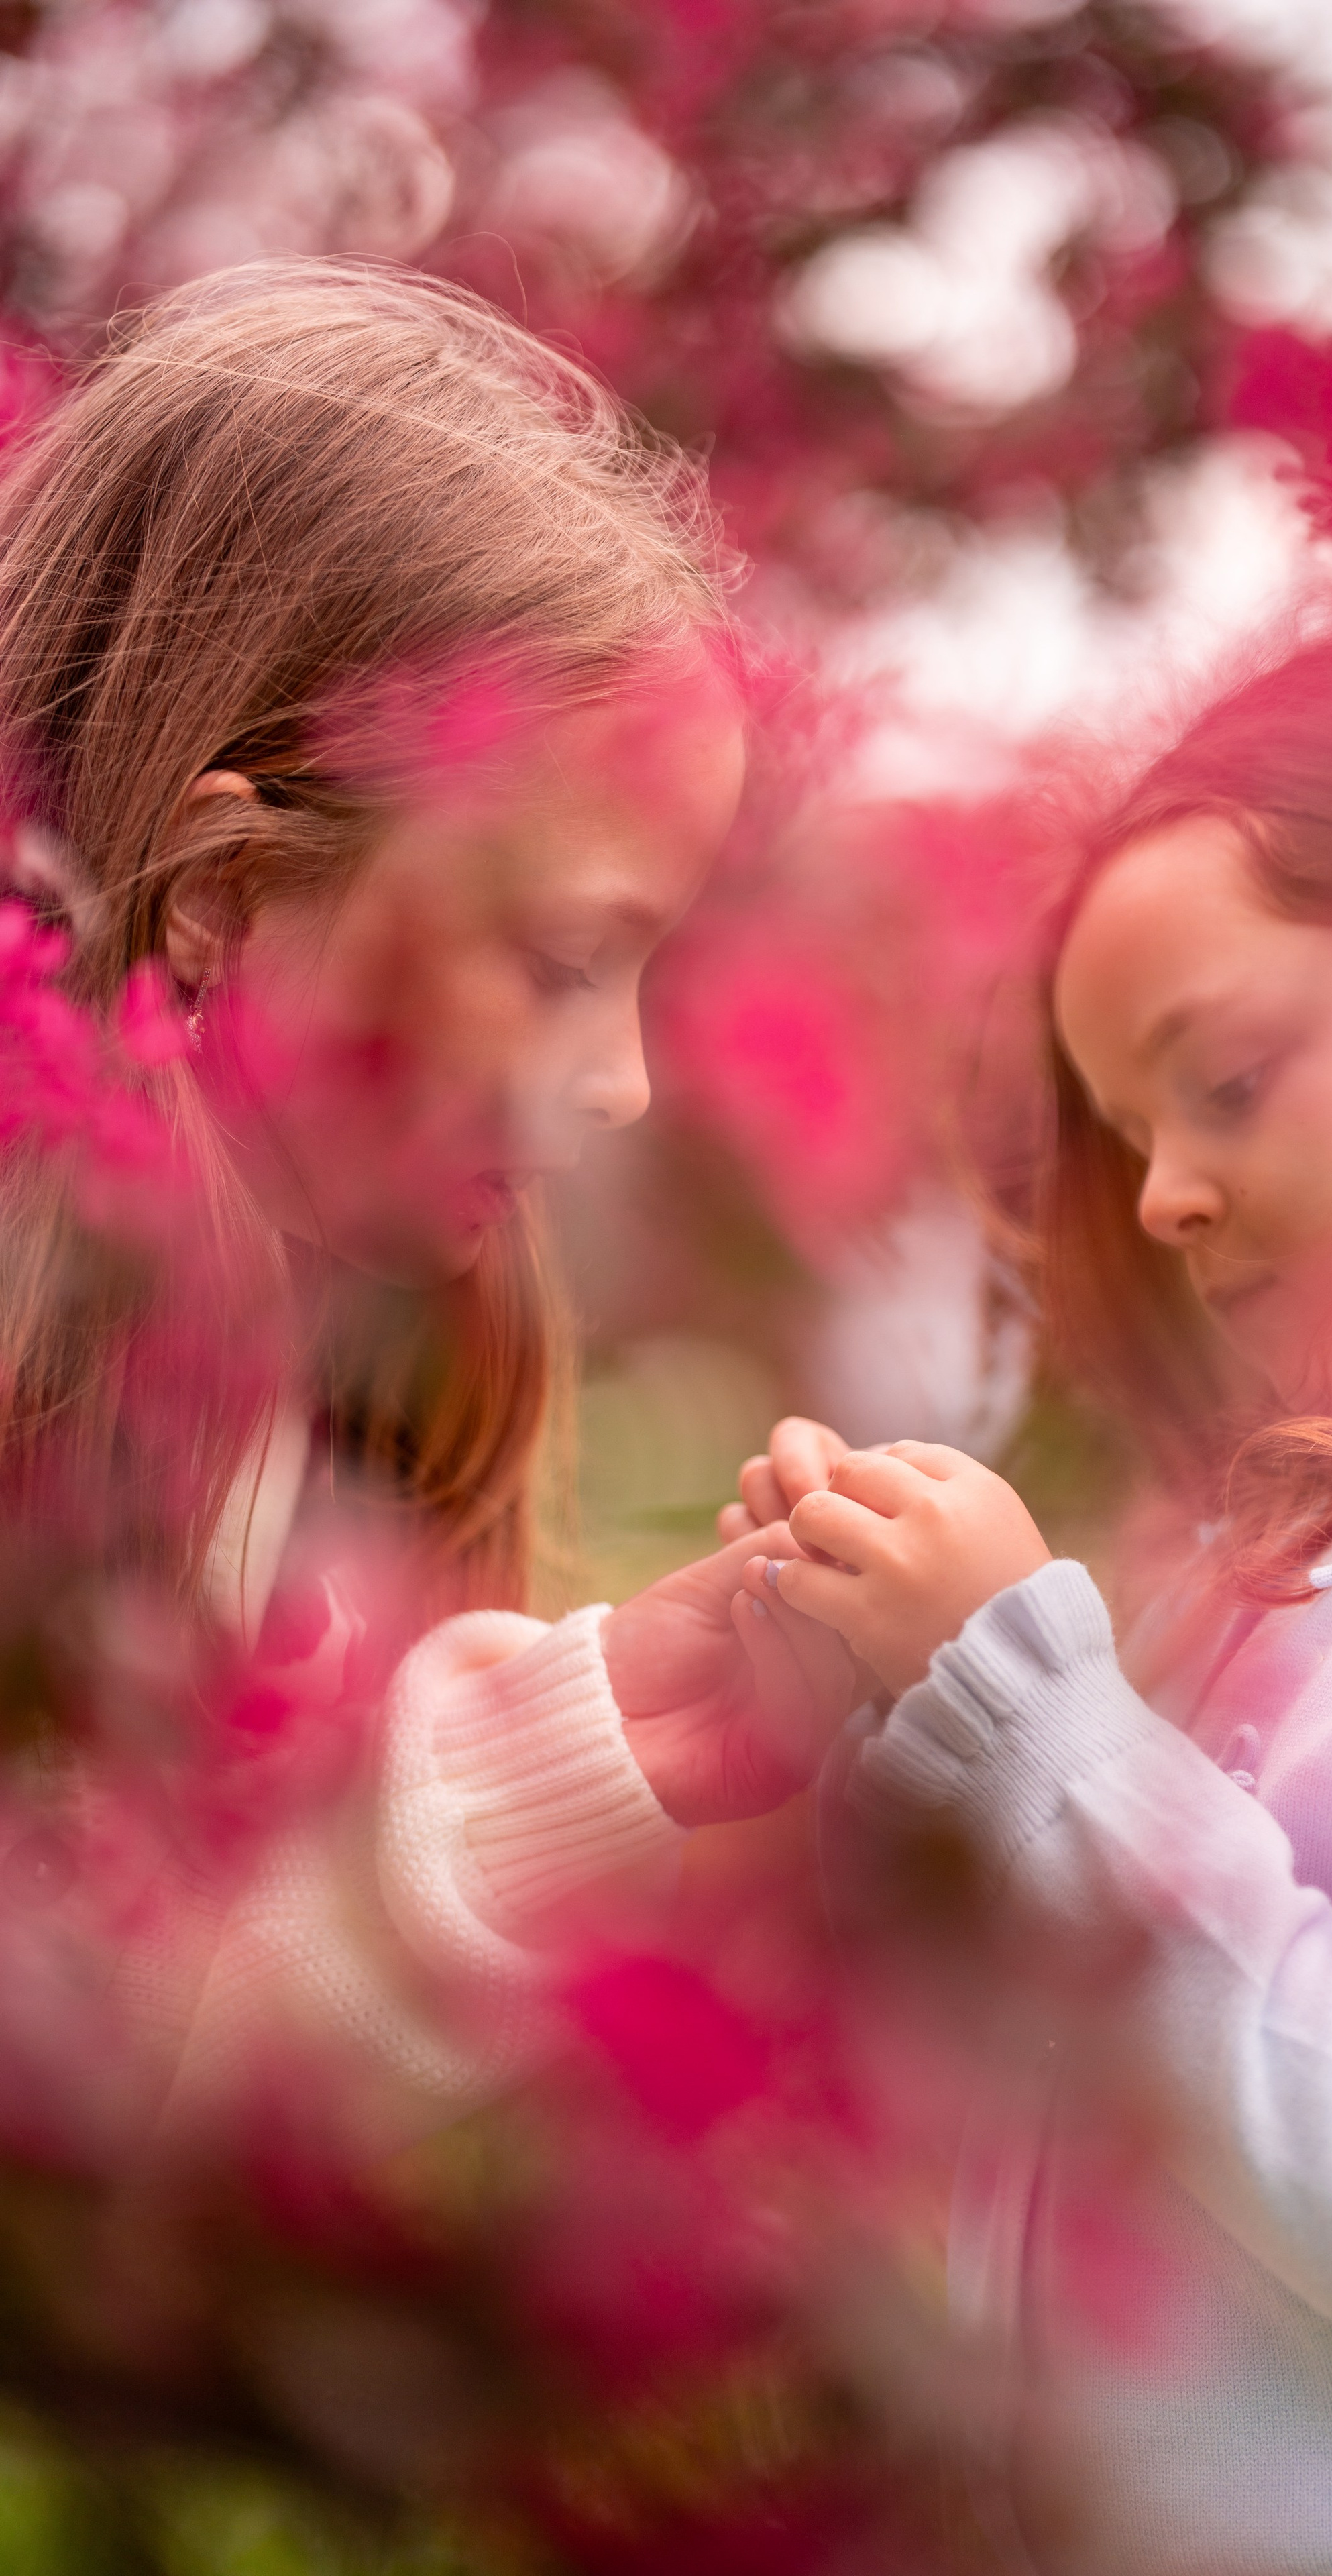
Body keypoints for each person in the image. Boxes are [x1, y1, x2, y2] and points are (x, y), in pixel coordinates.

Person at [740, 604, 1332, 2572]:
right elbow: (1101, 2038)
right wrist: (899, 1715)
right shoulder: (1283, 1568)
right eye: (1129, 1131)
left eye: (1231, 1082)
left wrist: (1028, 1713)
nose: (1163, 1194)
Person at [0, 256, 844, 2135]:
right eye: (559, 963)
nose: (623, 1081)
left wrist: (584, 1738)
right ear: (222, 893)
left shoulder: (322, 1406)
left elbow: (166, 2070)